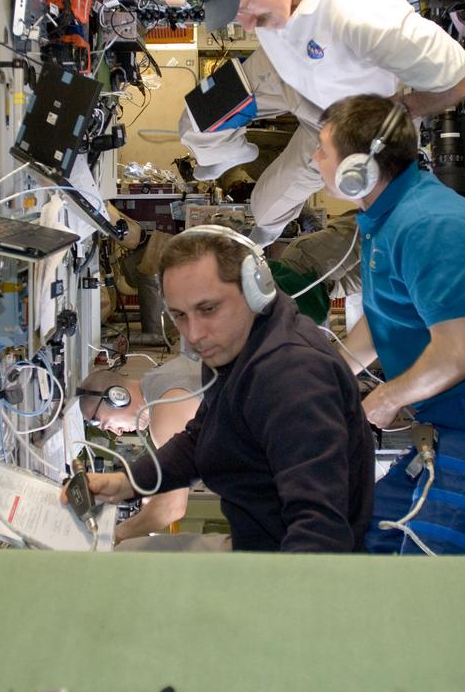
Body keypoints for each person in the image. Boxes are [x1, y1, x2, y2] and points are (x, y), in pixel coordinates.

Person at [117, 0, 465, 244]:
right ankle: (233, 150)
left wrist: (399, 108)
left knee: (264, 210)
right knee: (193, 126)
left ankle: (260, 237)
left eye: (245, 9)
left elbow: (460, 81)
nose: (243, 24)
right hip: (281, 67)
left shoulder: (362, 12)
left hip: (336, 117)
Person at [311, 94, 465, 556]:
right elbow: (389, 314)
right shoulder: (388, 216)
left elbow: (457, 355)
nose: (313, 159)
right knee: (372, 542)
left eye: (322, 149)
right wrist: (326, 375)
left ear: (358, 167)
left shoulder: (430, 226)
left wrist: (385, 398)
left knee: (431, 577)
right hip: (453, 426)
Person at [67, 226, 374, 552]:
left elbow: (320, 532)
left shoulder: (293, 379)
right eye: (180, 316)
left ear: (255, 290)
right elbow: (201, 436)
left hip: (285, 563)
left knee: (124, 564)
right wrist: (128, 482)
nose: (194, 334)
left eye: (208, 309)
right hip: (259, 543)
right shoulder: (240, 344)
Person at [76, 356, 203, 544]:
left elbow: (172, 507)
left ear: (117, 397)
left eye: (107, 424)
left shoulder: (164, 410)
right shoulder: (163, 376)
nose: (116, 432)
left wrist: (113, 537)